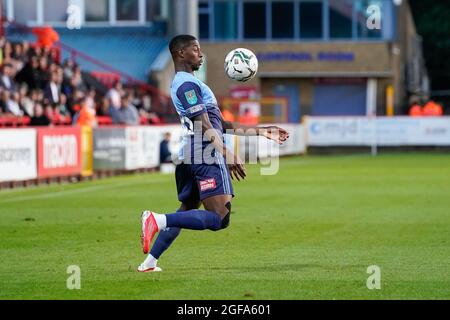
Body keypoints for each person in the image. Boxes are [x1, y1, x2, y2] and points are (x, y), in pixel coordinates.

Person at [137, 35, 289, 272]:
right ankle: (156, 219)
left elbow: (219, 124)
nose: (201, 53)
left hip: (189, 154)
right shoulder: (187, 85)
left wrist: (260, 131)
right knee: (219, 217)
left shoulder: (191, 84)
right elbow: (204, 125)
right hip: (204, 151)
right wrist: (227, 152)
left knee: (187, 209)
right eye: (195, 49)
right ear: (180, 54)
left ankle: (149, 262)